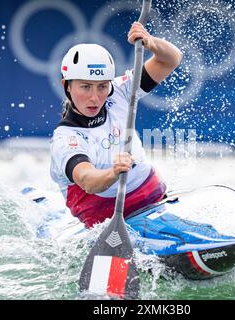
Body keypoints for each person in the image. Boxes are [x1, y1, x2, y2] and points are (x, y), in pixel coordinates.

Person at [50, 22, 183, 228]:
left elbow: (170, 59)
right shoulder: (66, 138)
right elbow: (86, 179)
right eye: (85, 87)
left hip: (154, 199)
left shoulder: (120, 91)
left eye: (102, 86)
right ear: (66, 86)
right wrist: (113, 172)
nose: (95, 97)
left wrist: (151, 43)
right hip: (107, 218)